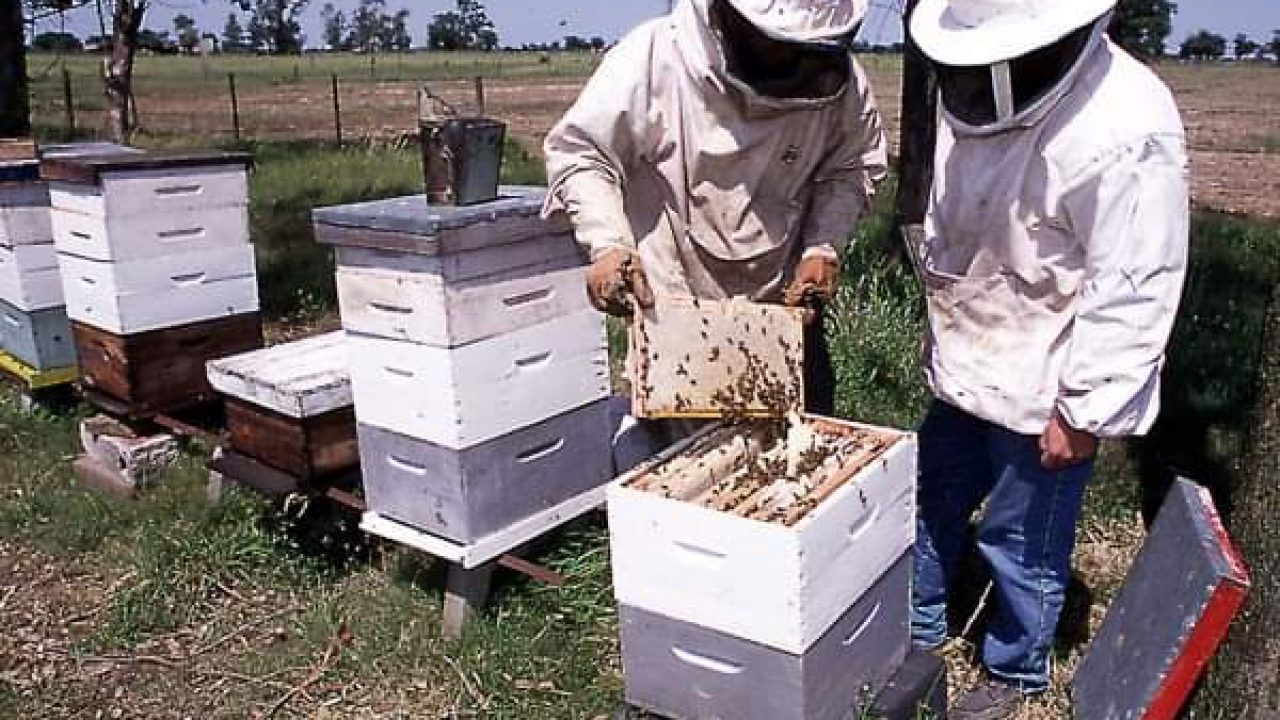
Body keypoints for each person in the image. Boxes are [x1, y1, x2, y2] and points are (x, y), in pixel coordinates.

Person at [906, 0, 1190, 715]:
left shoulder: (1128, 123)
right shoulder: (973, 84)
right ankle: (916, 629)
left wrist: (1086, 409)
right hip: (970, 354)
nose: (973, 81)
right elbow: (953, 214)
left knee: (1023, 537)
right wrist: (944, 323)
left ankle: (1015, 669)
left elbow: (1134, 284)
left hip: (1049, 379)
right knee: (928, 496)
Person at [543, 0, 888, 416]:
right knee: (680, 451)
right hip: (674, 309)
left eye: (800, 50)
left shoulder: (837, 78)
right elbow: (584, 153)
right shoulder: (655, 57)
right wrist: (608, 244)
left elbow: (850, 167)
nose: (789, 61)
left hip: (785, 314)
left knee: (803, 445)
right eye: (775, 45)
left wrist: (822, 248)